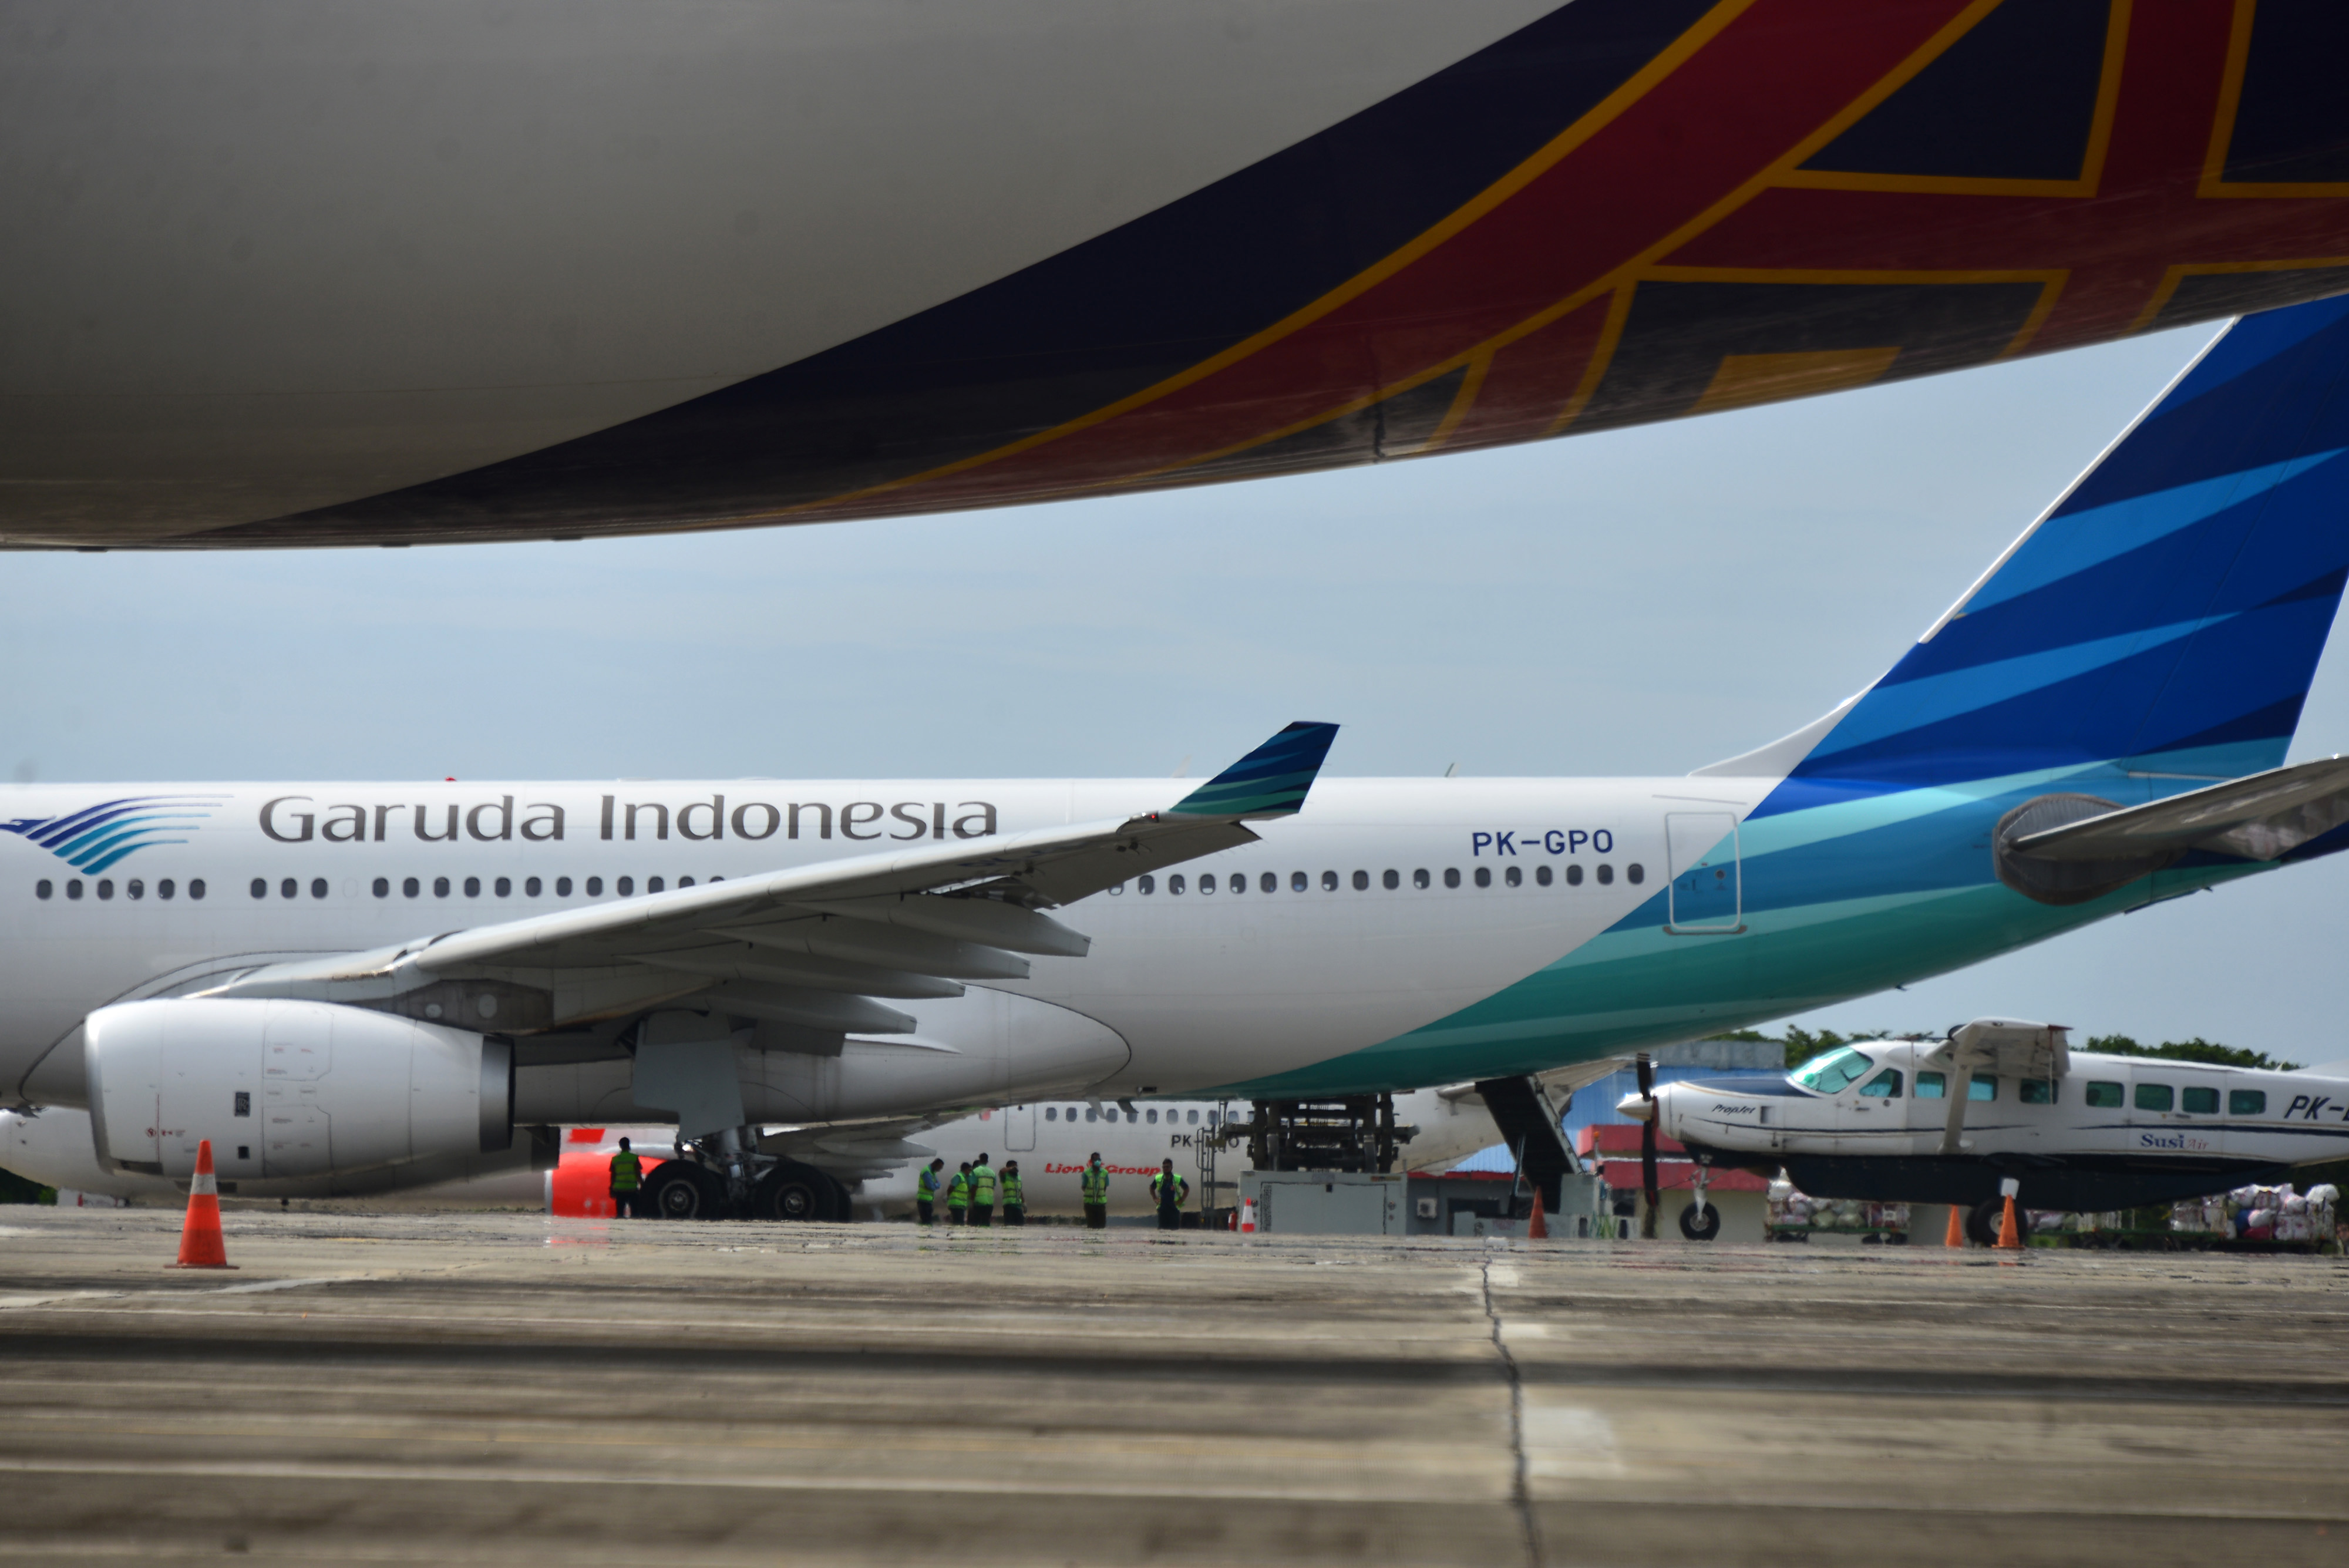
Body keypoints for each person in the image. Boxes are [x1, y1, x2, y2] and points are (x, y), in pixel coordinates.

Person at [608, 1136, 643, 1219]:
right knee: (635, 1213)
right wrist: (642, 1185)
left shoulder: (615, 1159)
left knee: (620, 1213)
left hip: (619, 1189)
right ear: (629, 1145)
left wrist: (611, 1188)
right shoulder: (634, 1158)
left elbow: (613, 1175)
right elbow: (638, 1173)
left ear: (620, 1146)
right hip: (632, 1189)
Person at [1150, 1158, 1190, 1231]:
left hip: (1174, 1208)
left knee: (1174, 1230)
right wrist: (1155, 1198)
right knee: (1162, 1230)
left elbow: (1187, 1188)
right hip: (1163, 1208)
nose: (1166, 1168)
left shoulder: (1177, 1178)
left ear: (1171, 1168)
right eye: (1164, 1167)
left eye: (1167, 1167)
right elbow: (1151, 1188)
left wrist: (1181, 1200)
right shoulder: (1159, 1178)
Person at [1081, 1153, 1109, 1230]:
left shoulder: (1105, 1173)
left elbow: (1105, 1187)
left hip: (1101, 1204)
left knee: (1102, 1227)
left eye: (1099, 1160)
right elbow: (1084, 1187)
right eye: (1095, 1160)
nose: (1098, 1161)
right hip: (1089, 1204)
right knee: (1091, 1227)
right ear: (1091, 1161)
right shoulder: (1086, 1173)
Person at [970, 1152, 997, 1227]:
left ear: (980, 1160)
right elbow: (993, 1186)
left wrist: (972, 1200)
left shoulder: (976, 1171)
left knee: (976, 1224)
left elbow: (974, 1187)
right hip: (989, 1201)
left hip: (979, 1201)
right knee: (986, 1223)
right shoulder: (992, 1173)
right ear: (987, 1161)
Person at [916, 1158, 944, 1226]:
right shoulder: (927, 1172)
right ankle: (924, 1234)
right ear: (935, 1164)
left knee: (928, 1221)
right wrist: (935, 1185)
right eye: (939, 1167)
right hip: (923, 1200)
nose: (940, 1170)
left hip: (929, 1201)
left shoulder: (933, 1173)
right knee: (926, 1221)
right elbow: (931, 1186)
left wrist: (935, 1185)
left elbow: (939, 1184)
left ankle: (926, 1234)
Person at [1001, 1160, 1025, 1226]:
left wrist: (1023, 1203)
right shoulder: (1005, 1177)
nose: (1016, 1168)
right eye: (1014, 1166)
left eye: (1016, 1166)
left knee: (1020, 1225)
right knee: (1009, 1226)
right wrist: (1010, 1169)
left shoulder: (1018, 1177)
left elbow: (1019, 1191)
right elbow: (1002, 1171)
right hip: (1009, 1206)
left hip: (1018, 1206)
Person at [947, 1161, 971, 1226]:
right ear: (965, 1170)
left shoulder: (964, 1178)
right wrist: (948, 1197)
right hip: (956, 1204)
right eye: (969, 1170)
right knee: (959, 1224)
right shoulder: (958, 1177)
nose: (970, 1172)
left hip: (960, 1205)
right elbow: (951, 1188)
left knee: (958, 1224)